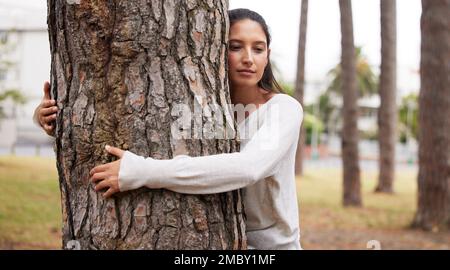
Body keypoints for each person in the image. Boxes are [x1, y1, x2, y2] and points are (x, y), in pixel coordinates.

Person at [34, 8, 303, 250]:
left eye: (258, 48)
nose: (248, 58)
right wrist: (51, 117)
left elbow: (248, 168)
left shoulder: (284, 109)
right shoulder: (207, 109)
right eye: (235, 47)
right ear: (217, 48)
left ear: (268, 55)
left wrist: (144, 171)